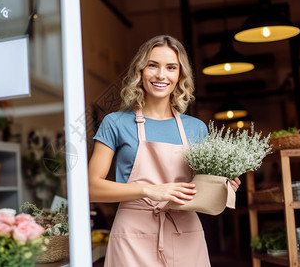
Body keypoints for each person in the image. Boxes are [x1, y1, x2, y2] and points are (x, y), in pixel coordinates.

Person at [88, 35, 241, 267]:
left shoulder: (196, 128)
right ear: (140, 71)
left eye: (171, 67)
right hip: (132, 236)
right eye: (152, 65)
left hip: (185, 233)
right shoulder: (115, 123)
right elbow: (91, 188)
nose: (161, 75)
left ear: (180, 75)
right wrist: (151, 190)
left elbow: (201, 192)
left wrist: (223, 186)